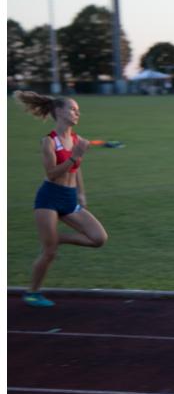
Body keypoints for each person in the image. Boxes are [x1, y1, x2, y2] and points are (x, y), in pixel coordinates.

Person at [13, 91, 108, 307]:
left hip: (69, 198)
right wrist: (75, 156)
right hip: (49, 199)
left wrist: (81, 193)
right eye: (72, 109)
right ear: (58, 111)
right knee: (49, 253)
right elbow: (51, 173)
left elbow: (76, 169)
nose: (77, 113)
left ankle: (59, 238)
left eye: (78, 110)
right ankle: (32, 293)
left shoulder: (76, 140)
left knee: (98, 238)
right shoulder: (49, 141)